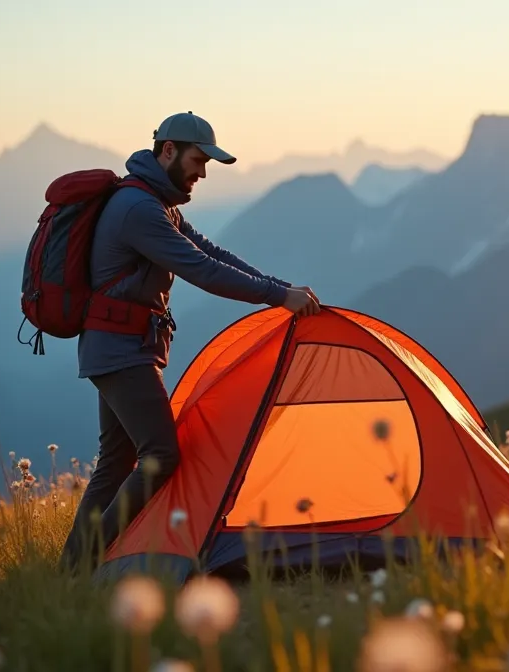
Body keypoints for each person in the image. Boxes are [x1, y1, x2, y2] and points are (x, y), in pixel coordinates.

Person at [59, 111, 320, 572]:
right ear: (168, 151)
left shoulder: (157, 203)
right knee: (160, 454)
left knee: (117, 462)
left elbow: (211, 252)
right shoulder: (140, 210)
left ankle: (72, 569)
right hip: (120, 352)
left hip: (118, 348)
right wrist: (279, 297)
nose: (202, 173)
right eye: (199, 161)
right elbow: (201, 270)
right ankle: (89, 560)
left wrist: (280, 287)